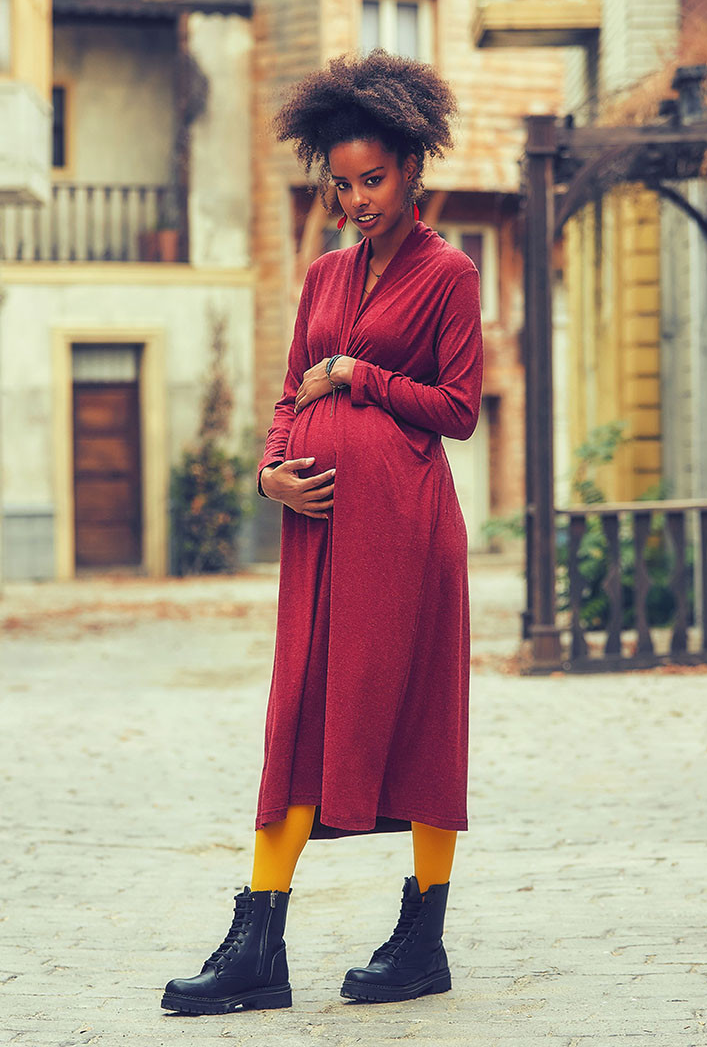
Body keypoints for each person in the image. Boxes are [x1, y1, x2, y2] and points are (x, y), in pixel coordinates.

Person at [161, 49, 483, 1015]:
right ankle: (258, 944)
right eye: (342, 185)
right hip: (320, 537)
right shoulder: (322, 276)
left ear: (412, 168)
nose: (357, 200)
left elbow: (459, 408)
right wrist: (271, 473)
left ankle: (422, 940)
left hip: (407, 534)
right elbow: (285, 393)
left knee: (419, 719)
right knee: (298, 715)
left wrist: (355, 375)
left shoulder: (451, 273)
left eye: (372, 180)